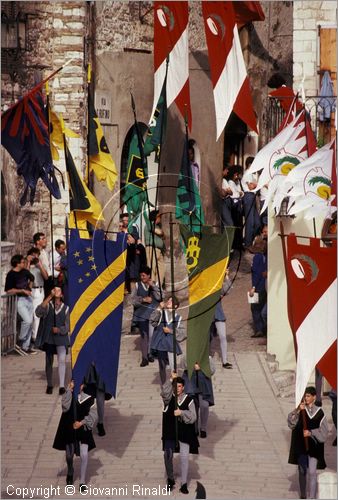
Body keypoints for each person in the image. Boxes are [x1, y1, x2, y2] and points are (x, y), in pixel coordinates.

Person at [53, 380, 97, 492]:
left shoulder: (90, 398)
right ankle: (70, 471)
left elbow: (93, 415)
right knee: (69, 455)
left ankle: (82, 481)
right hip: (70, 428)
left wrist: (81, 423)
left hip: (83, 429)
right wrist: (69, 390)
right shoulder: (70, 394)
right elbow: (65, 407)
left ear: (83, 385)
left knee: (84, 454)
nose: (78, 385)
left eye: (80, 384)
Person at [161, 372, 199, 494]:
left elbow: (193, 417)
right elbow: (164, 392)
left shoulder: (189, 400)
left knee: (184, 457)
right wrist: (170, 379)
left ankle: (183, 483)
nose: (177, 389)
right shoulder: (168, 399)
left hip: (184, 433)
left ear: (183, 387)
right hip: (170, 431)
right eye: (175, 386)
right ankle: (171, 479)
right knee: (168, 455)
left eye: (179, 386)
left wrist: (182, 413)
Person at [288, 386, 328, 499]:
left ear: (314, 397)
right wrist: (297, 410)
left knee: (312, 472)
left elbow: (324, 431)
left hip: (313, 447)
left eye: (308, 396)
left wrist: (311, 433)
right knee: (302, 470)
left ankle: (312, 497)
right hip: (301, 445)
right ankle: (303, 495)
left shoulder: (320, 413)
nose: (306, 398)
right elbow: (291, 423)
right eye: (305, 396)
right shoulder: (301, 410)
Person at [35, 287, 70, 395]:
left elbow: (68, 326)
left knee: (62, 360)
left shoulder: (66, 308)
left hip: (61, 337)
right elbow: (38, 312)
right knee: (49, 361)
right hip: (49, 338)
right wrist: (49, 296)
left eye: (58, 290)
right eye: (54, 290)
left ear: (62, 294)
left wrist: (59, 330)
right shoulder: (48, 306)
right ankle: (49, 384)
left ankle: (62, 386)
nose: (56, 291)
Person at [150, 296, 185, 384]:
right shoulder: (161, 313)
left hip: (170, 344)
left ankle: (173, 384)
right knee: (162, 366)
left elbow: (182, 333)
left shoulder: (178, 318)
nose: (169, 301)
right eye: (168, 300)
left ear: (176, 306)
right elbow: (152, 322)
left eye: (171, 301)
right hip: (160, 343)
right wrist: (158, 308)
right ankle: (164, 384)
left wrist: (170, 331)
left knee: (173, 366)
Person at [131, 266, 161, 367]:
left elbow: (160, 296)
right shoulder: (137, 285)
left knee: (152, 335)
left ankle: (150, 353)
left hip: (153, 314)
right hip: (141, 315)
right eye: (141, 276)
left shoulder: (155, 284)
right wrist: (143, 299)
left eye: (144, 275)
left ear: (148, 275)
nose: (142, 277)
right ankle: (144, 358)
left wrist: (153, 286)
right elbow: (132, 300)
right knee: (144, 336)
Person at [5, 254, 35, 354]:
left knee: (30, 324)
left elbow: (32, 278)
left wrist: (29, 288)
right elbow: (9, 290)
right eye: (22, 262)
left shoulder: (25, 271)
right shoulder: (11, 275)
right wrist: (22, 290)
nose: (24, 263)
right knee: (27, 321)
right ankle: (20, 340)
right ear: (17, 264)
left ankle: (25, 347)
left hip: (29, 299)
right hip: (19, 300)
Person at [182, 355, 215, 438]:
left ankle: (203, 428)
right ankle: (194, 427)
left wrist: (202, 367)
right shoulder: (187, 357)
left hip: (203, 385)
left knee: (204, 405)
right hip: (191, 385)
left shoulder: (208, 358)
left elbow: (212, 371)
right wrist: (191, 366)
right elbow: (183, 367)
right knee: (193, 406)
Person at [26, 247, 48, 347]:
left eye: (37, 255)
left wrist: (40, 266)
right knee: (29, 316)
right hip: (29, 291)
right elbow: (25, 276)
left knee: (37, 314)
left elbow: (46, 277)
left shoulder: (40, 265)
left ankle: (35, 338)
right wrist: (28, 262)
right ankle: (30, 338)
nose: (35, 257)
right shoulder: (27, 265)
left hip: (39, 290)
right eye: (33, 255)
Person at [248, 237, 267, 338]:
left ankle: (259, 329)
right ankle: (263, 327)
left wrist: (253, 287)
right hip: (264, 286)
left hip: (258, 286)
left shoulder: (257, 258)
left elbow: (256, 273)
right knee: (262, 306)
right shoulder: (265, 257)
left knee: (254, 308)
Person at [242, 157, 261, 249]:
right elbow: (250, 187)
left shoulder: (252, 174)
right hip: (248, 196)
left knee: (257, 222)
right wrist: (259, 184)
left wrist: (256, 184)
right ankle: (248, 244)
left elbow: (254, 185)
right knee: (250, 222)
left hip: (253, 197)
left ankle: (248, 240)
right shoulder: (248, 173)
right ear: (250, 164)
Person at [144, 210, 166, 287]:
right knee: (151, 268)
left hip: (159, 250)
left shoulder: (157, 226)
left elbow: (163, 235)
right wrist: (162, 233)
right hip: (152, 249)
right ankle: (151, 287)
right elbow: (160, 233)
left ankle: (158, 286)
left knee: (161, 269)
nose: (160, 218)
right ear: (155, 217)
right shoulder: (149, 225)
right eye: (159, 216)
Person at [227, 167, 244, 250]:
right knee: (235, 224)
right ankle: (235, 244)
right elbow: (234, 195)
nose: (237, 177)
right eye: (236, 175)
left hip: (238, 204)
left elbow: (241, 192)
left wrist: (239, 193)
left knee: (239, 224)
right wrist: (239, 194)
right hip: (234, 205)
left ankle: (238, 243)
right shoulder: (230, 183)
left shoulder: (236, 183)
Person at [33, 232, 53, 297]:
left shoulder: (44, 251)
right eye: (43, 239)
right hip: (42, 278)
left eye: (45, 238)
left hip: (49, 277)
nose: (45, 240)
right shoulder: (35, 252)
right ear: (38, 241)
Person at [220, 165, 234, 229]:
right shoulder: (219, 181)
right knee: (229, 223)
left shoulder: (224, 180)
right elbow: (222, 194)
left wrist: (226, 191)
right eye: (226, 169)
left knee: (227, 222)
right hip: (223, 202)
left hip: (228, 201)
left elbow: (231, 192)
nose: (227, 171)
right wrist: (226, 191)